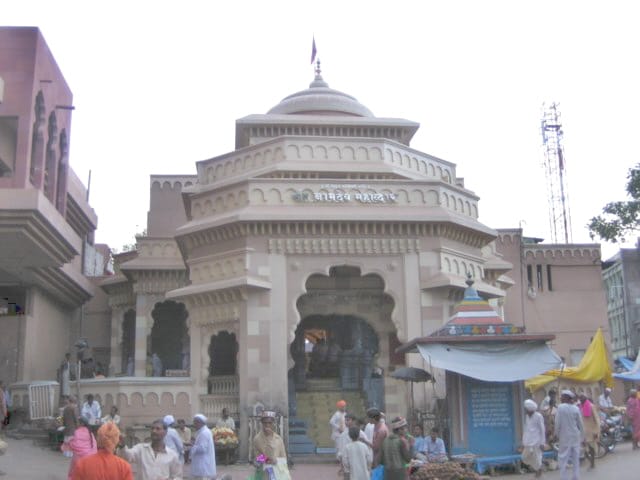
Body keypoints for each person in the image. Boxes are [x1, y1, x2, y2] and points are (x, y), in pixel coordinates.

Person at [116, 419, 182, 480]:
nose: (154, 431)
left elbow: (178, 477)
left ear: (165, 432)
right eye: (152, 428)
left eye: (158, 429)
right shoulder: (141, 449)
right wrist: (122, 446)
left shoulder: (172, 455)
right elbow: (126, 456)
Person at [554, 390, 584, 480]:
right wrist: (582, 437)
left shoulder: (560, 407)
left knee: (563, 458)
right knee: (575, 458)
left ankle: (563, 477)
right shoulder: (576, 408)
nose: (561, 398)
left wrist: (556, 434)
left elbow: (557, 423)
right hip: (575, 436)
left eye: (562, 396)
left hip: (565, 437)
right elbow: (581, 424)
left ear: (567, 398)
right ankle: (576, 476)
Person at [64, 416, 97, 480]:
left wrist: (68, 443)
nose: (77, 424)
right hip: (90, 459)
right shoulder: (90, 433)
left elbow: (73, 444)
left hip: (79, 460)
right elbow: (94, 447)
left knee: (74, 473)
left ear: (82, 423)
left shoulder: (77, 432)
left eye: (78, 422)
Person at [521, 399, 545, 478]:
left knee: (537, 458)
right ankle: (539, 468)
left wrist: (542, 443)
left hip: (536, 442)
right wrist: (523, 441)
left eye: (526, 409)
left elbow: (542, 430)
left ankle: (539, 471)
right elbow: (527, 429)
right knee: (524, 458)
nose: (525, 410)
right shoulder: (527, 416)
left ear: (530, 409)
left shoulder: (538, 416)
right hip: (528, 442)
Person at [190, 413, 216, 479]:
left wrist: (193, 446)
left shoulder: (204, 433)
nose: (194, 424)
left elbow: (202, 449)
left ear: (200, 423)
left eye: (195, 422)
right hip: (201, 464)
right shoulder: (202, 432)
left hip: (202, 465)